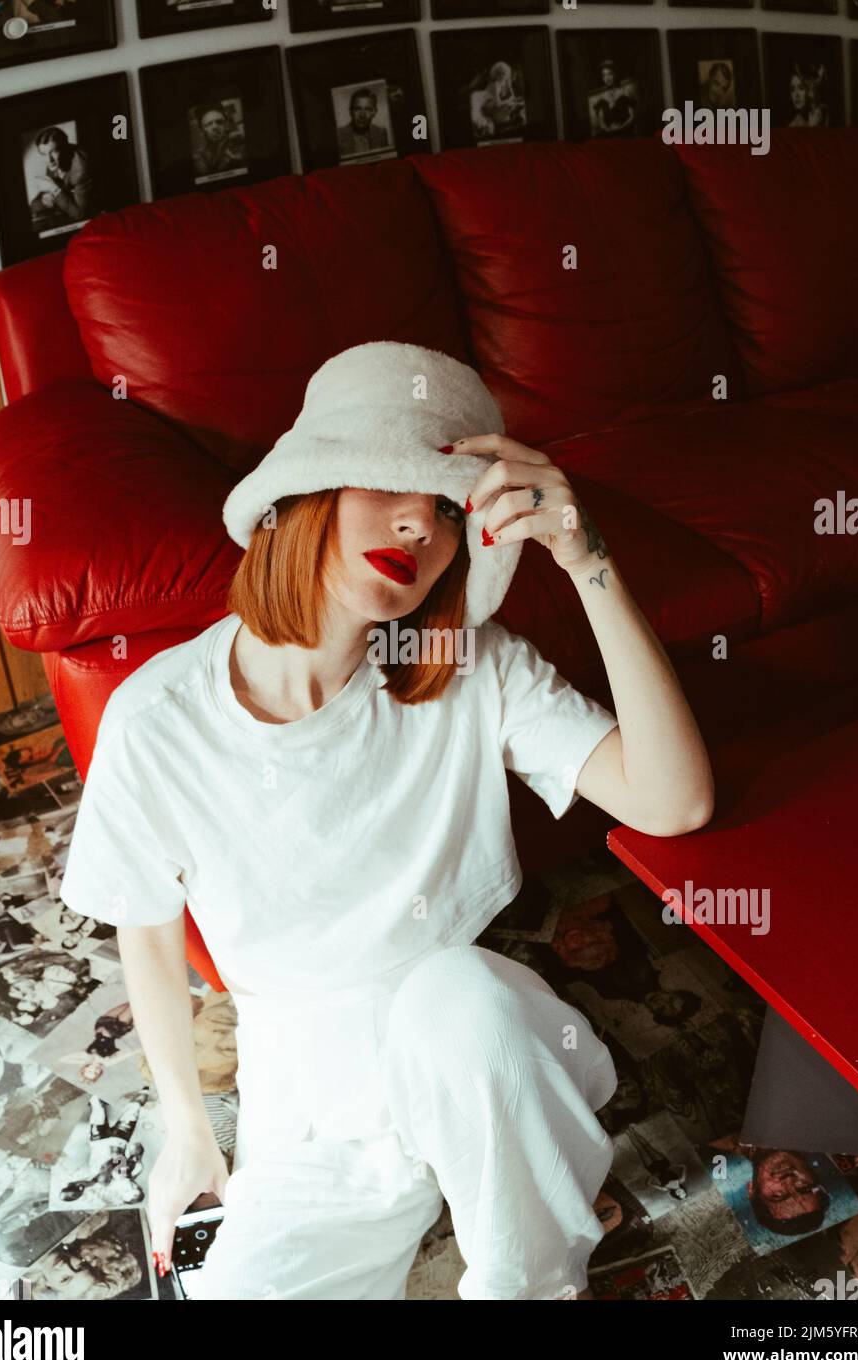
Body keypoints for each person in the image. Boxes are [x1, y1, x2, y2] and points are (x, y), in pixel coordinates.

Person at [58, 341, 713, 1300]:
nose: (419, 520)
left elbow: (674, 801)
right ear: (301, 494)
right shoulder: (158, 717)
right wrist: (188, 1134)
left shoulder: (470, 663)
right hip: (309, 1100)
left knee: (460, 1001)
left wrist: (587, 559)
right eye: (389, 484)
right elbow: (147, 933)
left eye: (451, 509)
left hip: (483, 1050)